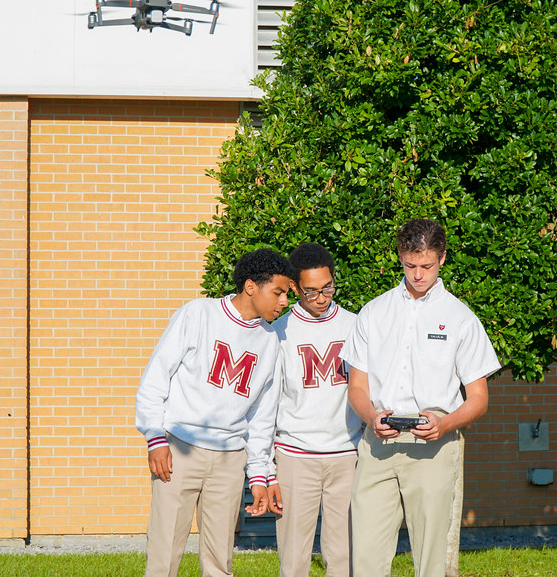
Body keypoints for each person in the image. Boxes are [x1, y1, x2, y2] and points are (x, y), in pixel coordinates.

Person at [340, 219, 501, 577]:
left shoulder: (460, 318)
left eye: (426, 266)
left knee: (431, 563)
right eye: (410, 265)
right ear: (400, 257)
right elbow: (357, 388)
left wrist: (444, 424)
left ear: (442, 258)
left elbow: (478, 398)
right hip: (378, 445)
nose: (417, 274)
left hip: (434, 447)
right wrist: (370, 417)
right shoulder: (373, 312)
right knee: (364, 559)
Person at [135, 248, 291, 577]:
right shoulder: (198, 314)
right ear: (251, 286)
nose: (284, 302)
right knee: (164, 554)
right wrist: (154, 436)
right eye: (278, 292)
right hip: (179, 449)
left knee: (220, 560)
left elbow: (263, 417)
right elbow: (156, 376)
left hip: (230, 459)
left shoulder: (270, 342)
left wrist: (260, 474)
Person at [267, 243, 361, 577]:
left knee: (345, 554)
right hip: (295, 455)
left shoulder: (355, 325)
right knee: (294, 556)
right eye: (311, 291)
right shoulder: (278, 332)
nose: (321, 297)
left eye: (327, 288)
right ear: (294, 287)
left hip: (347, 453)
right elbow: (269, 402)